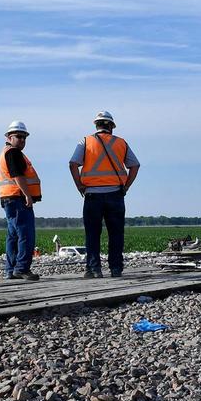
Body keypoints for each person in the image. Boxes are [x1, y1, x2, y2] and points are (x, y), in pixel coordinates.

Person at [69, 110, 140, 278]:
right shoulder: (121, 143)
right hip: (115, 194)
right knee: (116, 234)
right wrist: (126, 187)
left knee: (93, 234)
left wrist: (79, 185)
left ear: (96, 125)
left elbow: (73, 164)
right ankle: (116, 269)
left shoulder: (86, 141)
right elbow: (135, 165)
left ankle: (94, 270)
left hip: (92, 195)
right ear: (112, 127)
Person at [0, 120, 41, 280]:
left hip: (9, 199)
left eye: (24, 137)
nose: (22, 140)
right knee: (26, 234)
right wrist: (27, 195)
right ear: (9, 137)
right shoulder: (13, 153)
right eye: (19, 136)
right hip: (17, 199)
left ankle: (11, 270)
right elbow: (18, 176)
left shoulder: (7, 152)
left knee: (13, 236)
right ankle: (22, 268)